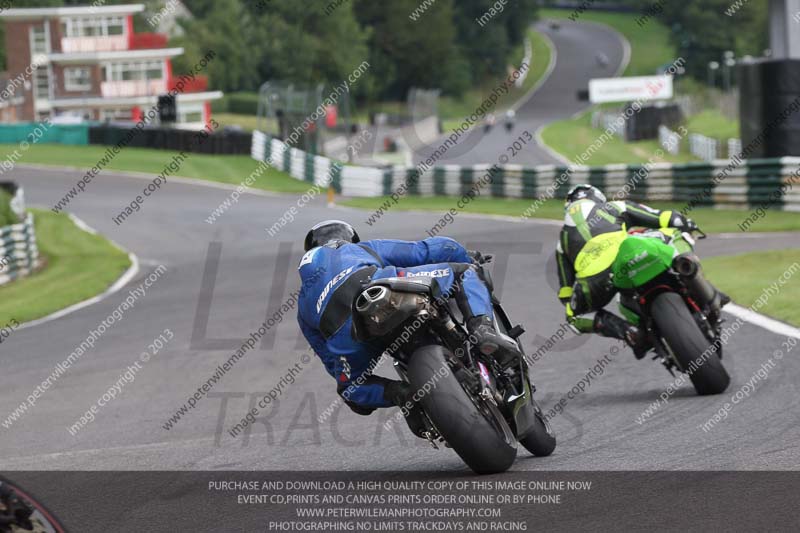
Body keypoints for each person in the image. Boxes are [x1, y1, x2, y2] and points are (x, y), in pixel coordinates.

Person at [297, 220, 520, 433]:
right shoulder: (361, 249)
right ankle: (483, 330)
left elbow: (329, 359)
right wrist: (465, 255)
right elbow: (423, 251)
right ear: (349, 238)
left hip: (345, 332)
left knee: (351, 388)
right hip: (376, 286)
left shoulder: (302, 304)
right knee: (464, 272)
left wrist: (359, 386)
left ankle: (405, 395)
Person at [555, 184, 729, 358]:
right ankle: (692, 275)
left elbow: (565, 292)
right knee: (673, 233)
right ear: (598, 198)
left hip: (595, 281)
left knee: (573, 317)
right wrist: (686, 223)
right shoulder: (614, 206)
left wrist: (575, 296)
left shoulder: (562, 241)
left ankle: (628, 331)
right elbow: (663, 217)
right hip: (626, 256)